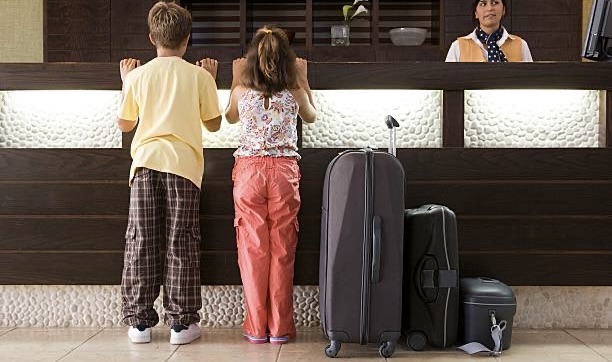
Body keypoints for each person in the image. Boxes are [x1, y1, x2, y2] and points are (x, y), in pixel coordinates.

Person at [116, 1, 222, 345]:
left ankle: (140, 324)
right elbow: (214, 123)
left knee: (141, 241)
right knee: (182, 242)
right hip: (184, 168)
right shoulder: (199, 75)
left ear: (151, 37)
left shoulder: (137, 75)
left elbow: (125, 122)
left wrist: (125, 82)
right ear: (188, 39)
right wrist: (212, 80)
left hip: (145, 163)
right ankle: (181, 324)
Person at [225, 26, 317, 345]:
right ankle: (279, 329)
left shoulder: (242, 91)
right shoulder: (294, 91)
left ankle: (255, 328)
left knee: (252, 249)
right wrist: (303, 79)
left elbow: (231, 117)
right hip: (283, 173)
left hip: (249, 172)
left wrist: (236, 79)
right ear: (288, 60)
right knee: (282, 248)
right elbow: (312, 116)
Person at [445, 0, 533, 62]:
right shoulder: (457, 46)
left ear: (504, 10)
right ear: (475, 12)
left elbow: (531, 83)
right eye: (483, 4)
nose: (490, 8)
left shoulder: (521, 45)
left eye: (495, 2)